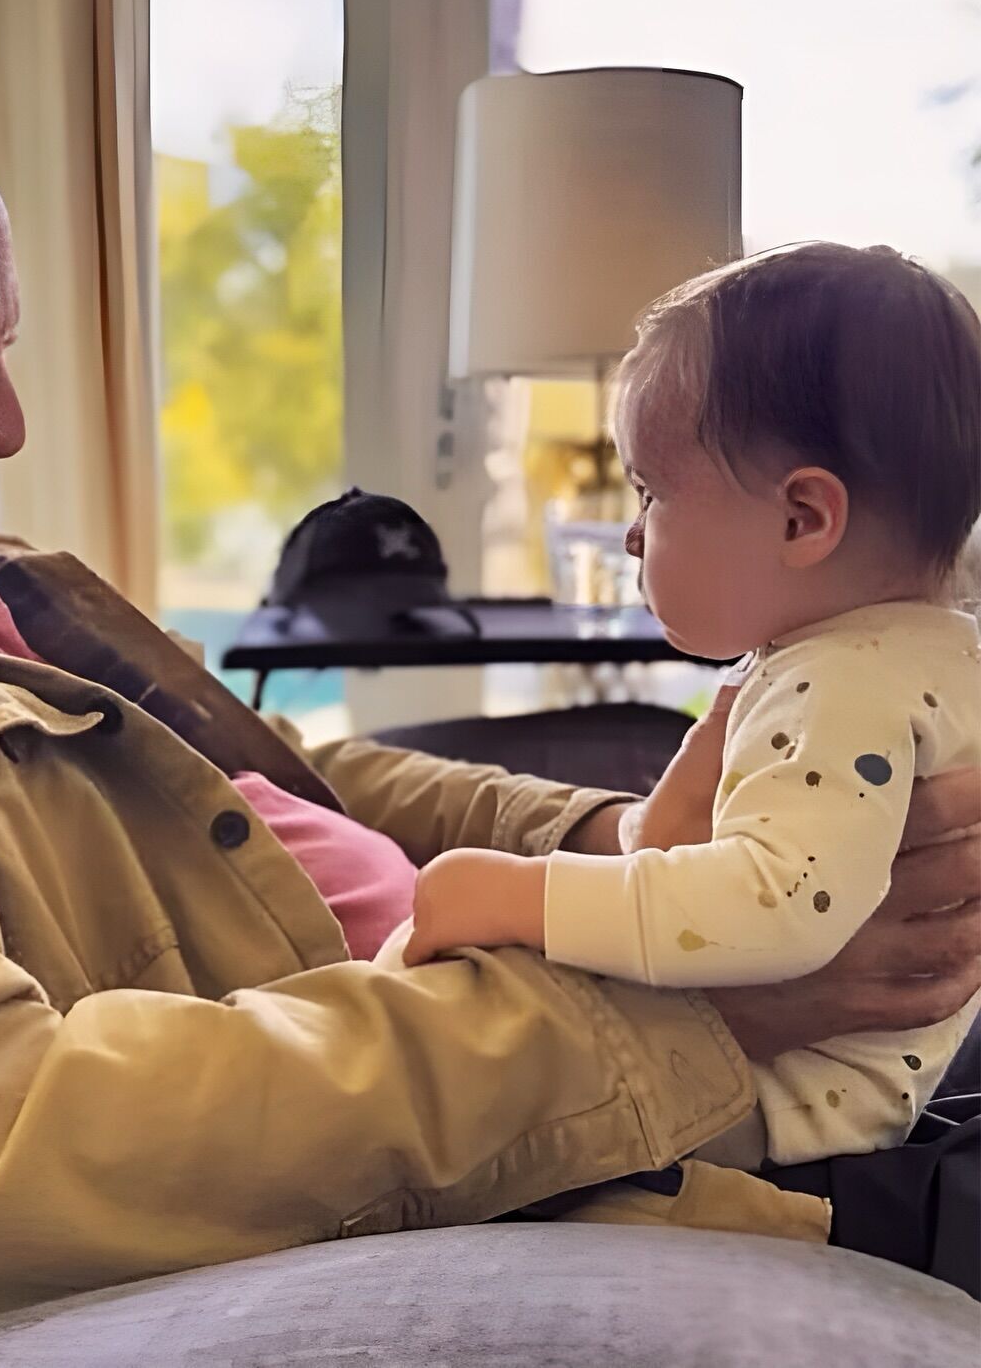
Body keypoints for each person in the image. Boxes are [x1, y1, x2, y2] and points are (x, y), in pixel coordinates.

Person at [0, 60, 977, 1335]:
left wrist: (624, 857)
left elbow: (301, 785)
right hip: (640, 1126)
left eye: (2, 345)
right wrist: (689, 1013)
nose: (7, 425)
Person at [403, 243, 981, 1173]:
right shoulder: (926, 651)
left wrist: (523, 894)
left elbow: (779, 904)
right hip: (799, 1085)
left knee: (468, 1085)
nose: (631, 532)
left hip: (774, 1111)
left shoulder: (842, 686)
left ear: (803, 520)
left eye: (653, 491)